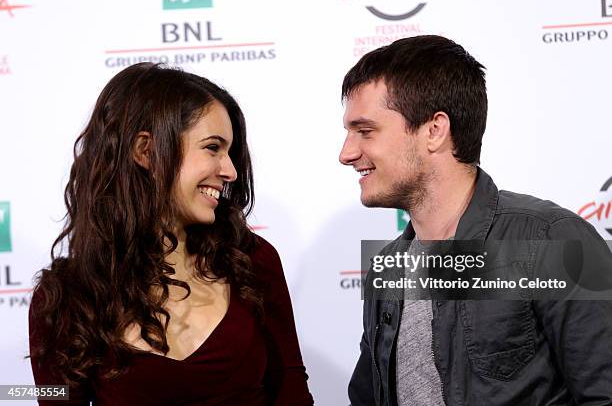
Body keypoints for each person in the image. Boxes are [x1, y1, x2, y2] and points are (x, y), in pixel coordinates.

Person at [339, 35, 612, 405]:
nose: (347, 153)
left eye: (365, 131)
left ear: (434, 130)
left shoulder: (554, 241)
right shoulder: (387, 269)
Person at [29, 62, 314, 405]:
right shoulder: (65, 296)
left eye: (229, 152)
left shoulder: (252, 260)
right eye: (212, 148)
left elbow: (291, 388)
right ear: (145, 151)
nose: (231, 171)